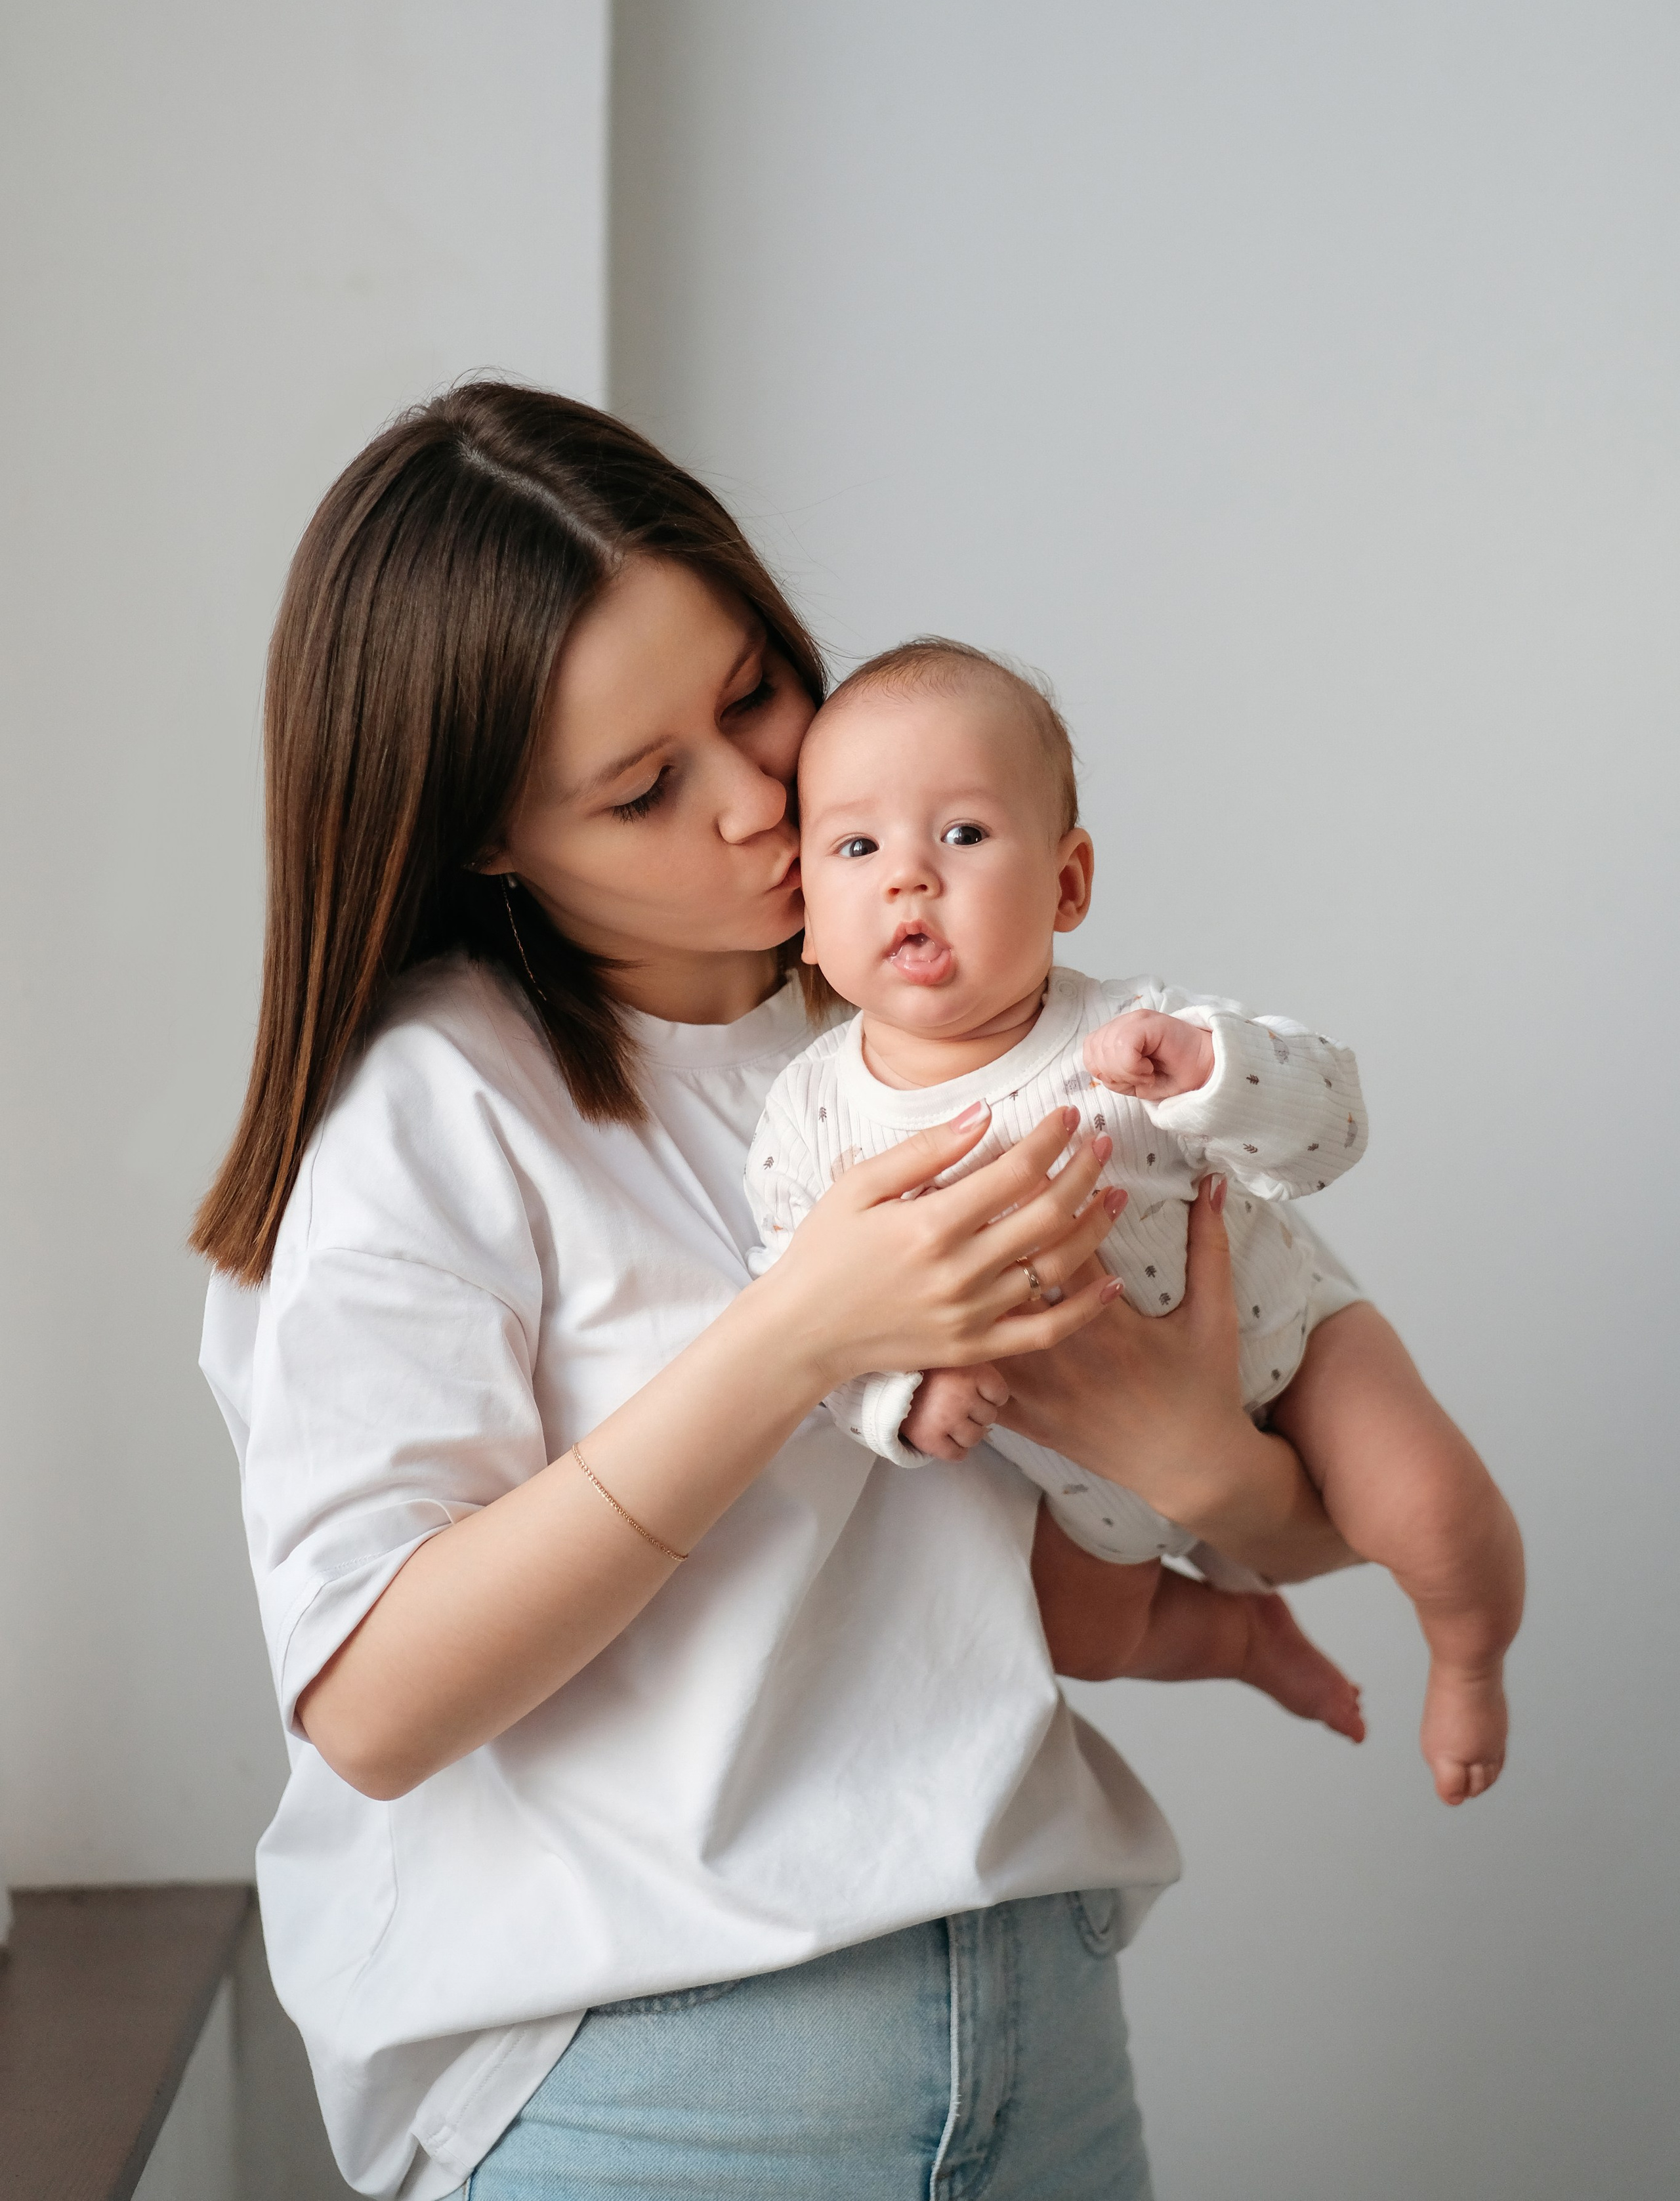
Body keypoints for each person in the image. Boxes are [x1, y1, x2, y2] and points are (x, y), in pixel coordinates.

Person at [197, 382, 1374, 2201]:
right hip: (658, 2095)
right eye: (644, 788)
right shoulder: (434, 1118)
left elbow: (1285, 1511)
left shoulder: (941, 1022)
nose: (759, 801)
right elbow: (371, 1706)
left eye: (752, 693)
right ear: (488, 837)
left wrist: (1204, 1475)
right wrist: (797, 1336)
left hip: (1034, 2019)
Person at [747, 637, 1525, 1807]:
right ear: (806, 918)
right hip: (1081, 1465)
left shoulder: (1135, 1033)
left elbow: (1335, 1126)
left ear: (1067, 885)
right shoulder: (809, 1117)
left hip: (1292, 1346)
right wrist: (897, 1398)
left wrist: (1215, 1073)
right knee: (1081, 1637)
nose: (909, 877)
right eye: (857, 848)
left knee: (1430, 1512)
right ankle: (1239, 1640)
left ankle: (1470, 1656)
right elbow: (795, 1306)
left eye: (963, 833)